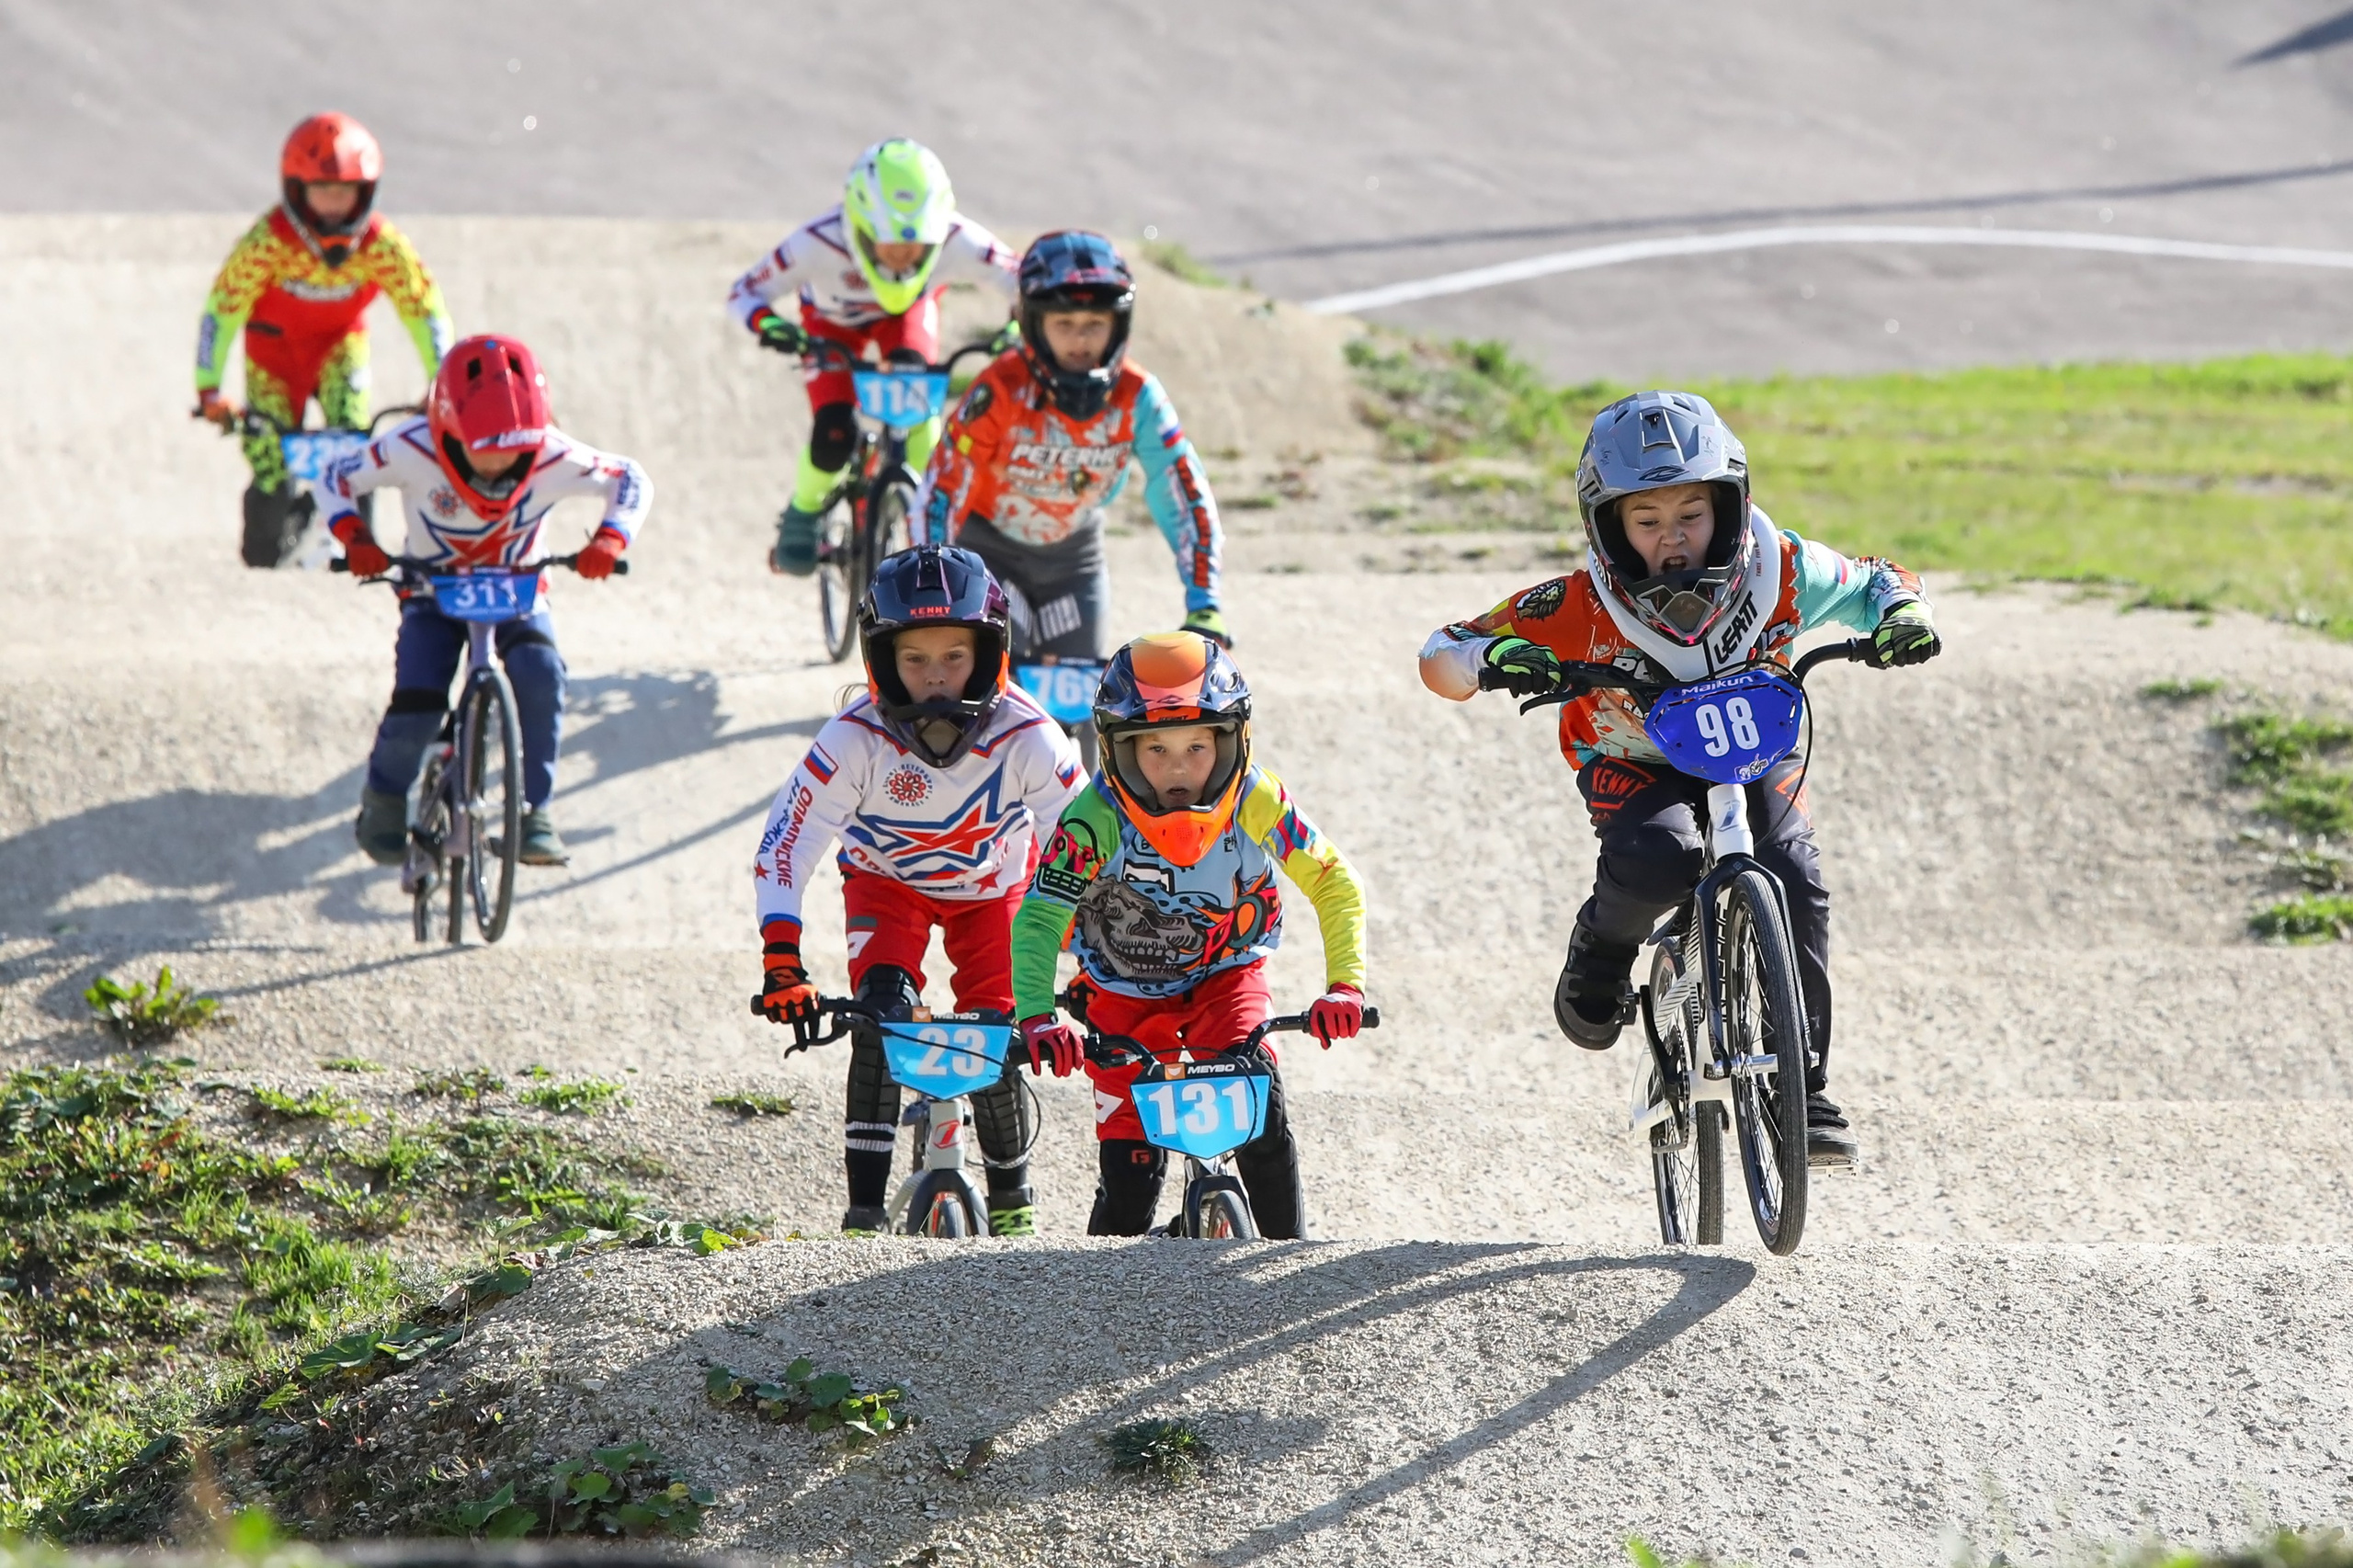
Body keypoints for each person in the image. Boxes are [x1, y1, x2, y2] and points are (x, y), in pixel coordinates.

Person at [1416, 390, 1941, 1166]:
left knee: (1792, 870)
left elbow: (1876, 579)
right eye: (1648, 520)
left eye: (1691, 515)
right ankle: (1601, 945)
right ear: (1609, 527)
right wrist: (1489, 660)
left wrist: (1903, 617)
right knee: (1657, 861)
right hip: (1631, 756)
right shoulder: (1577, 603)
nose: (1673, 542)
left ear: (1731, 506)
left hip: (1755, 743)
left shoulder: (1782, 566)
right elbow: (1441, 652)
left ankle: (1806, 1082)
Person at [754, 545, 1083, 1237]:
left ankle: (1014, 1202)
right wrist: (782, 960)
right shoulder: (851, 738)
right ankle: (864, 1218)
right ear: (880, 660)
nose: (935, 680)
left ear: (991, 651)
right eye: (915, 659)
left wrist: (1089, 961)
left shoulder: (1033, 737)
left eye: (955, 657)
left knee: (1000, 1030)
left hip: (997, 896)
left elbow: (1081, 849)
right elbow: (787, 846)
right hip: (886, 887)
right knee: (878, 1019)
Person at [1008, 632, 1368, 1239]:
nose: (1177, 768)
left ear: (1234, 741)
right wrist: (1039, 1016)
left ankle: (1291, 1267)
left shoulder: (1256, 797)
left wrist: (1345, 987)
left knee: (1261, 1122)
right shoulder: (1092, 817)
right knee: (1130, 1179)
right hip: (1121, 992)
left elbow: (1335, 881)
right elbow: (1040, 916)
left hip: (1228, 976)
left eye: (1198, 746)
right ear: (1116, 749)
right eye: (1154, 748)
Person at [318, 335, 649, 869]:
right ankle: (382, 799)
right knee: (419, 700)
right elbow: (335, 475)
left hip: (520, 591)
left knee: (543, 676)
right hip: (431, 591)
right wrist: (353, 534)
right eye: (482, 449)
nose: (498, 465)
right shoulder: (409, 446)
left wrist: (611, 538)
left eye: (513, 451)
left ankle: (535, 813)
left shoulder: (552, 451)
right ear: (446, 430)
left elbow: (630, 478)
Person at [917, 231, 1230, 658]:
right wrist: (936, 578)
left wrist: (1204, 602)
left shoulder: (1139, 396)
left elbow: (1179, 485)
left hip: (1075, 562)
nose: (1079, 341)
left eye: (1095, 325)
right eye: (1063, 324)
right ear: (1034, 325)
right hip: (987, 553)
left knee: (1083, 710)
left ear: (1118, 326)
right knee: (1000, 688)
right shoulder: (1001, 389)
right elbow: (944, 486)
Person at [726, 139, 1018, 574]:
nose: (902, 259)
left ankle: (933, 519)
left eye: (917, 248)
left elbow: (1029, 282)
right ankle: (802, 514)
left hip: (905, 317)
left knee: (919, 418)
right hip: (829, 324)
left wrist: (1018, 326)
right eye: (889, 246)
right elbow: (745, 291)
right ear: (859, 226)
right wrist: (772, 326)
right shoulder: (816, 242)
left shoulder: (958, 237)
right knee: (833, 432)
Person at [194, 112, 454, 568]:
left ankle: (360, 558)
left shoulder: (382, 246)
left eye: (345, 193)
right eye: (323, 192)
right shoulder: (266, 243)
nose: (334, 206)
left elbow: (424, 310)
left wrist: (444, 384)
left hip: (340, 347)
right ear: (297, 192)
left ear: (365, 192)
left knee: (354, 450)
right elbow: (223, 311)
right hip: (273, 356)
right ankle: (259, 564)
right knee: (270, 466)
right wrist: (209, 388)